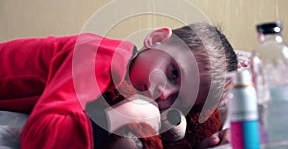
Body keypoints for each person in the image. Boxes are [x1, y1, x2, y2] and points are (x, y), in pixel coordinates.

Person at [0, 22, 238, 149]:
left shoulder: (126, 90)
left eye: (178, 101)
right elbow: (39, 137)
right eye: (173, 72)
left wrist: (200, 143)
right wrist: (111, 120)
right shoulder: (101, 56)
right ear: (156, 39)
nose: (163, 93)